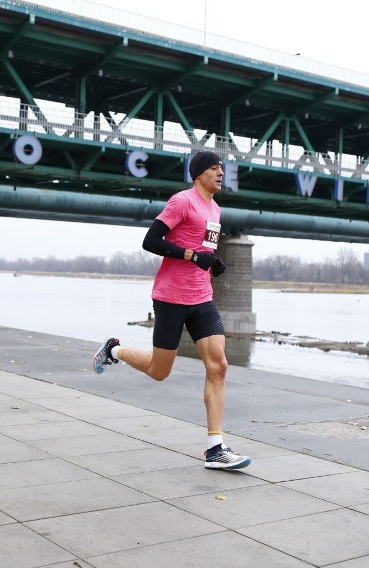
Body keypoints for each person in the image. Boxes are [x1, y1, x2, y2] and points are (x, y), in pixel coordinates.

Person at [92, 150, 251, 470]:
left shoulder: (215, 209)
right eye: (214, 168)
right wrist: (193, 256)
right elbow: (151, 241)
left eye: (222, 168)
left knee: (218, 365)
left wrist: (212, 262)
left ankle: (215, 448)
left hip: (202, 298)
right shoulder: (182, 201)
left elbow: (205, 245)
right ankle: (115, 350)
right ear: (198, 173)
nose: (221, 173)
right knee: (159, 371)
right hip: (171, 298)